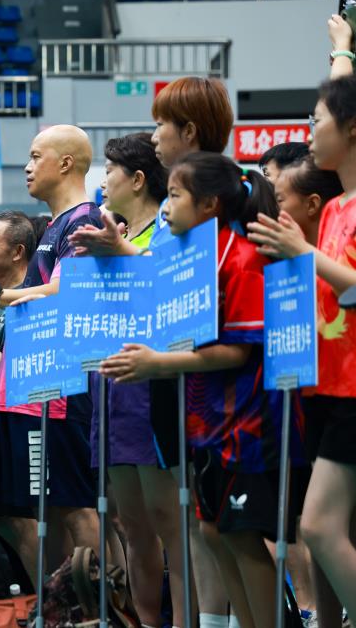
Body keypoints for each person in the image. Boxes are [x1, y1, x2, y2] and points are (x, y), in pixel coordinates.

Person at [102, 152, 302, 628]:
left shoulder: (243, 257)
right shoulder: (195, 258)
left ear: (210, 204)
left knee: (242, 538)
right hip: (206, 423)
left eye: (174, 196)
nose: (166, 207)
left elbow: (237, 352)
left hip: (246, 425)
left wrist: (157, 364)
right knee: (214, 533)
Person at [247, 75, 356, 628]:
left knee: (317, 526)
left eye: (319, 119)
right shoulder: (335, 211)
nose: (310, 131)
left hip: (354, 389)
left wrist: (301, 251)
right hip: (322, 385)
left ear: (351, 127)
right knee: (333, 531)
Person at [71, 133, 190, 626]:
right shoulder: (109, 237)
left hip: (150, 391)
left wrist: (118, 253)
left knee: (168, 521)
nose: (102, 182)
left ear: (138, 179)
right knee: (130, 524)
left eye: (109, 171)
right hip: (110, 392)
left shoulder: (166, 232)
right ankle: (143, 620)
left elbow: (171, 293)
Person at [0, 126, 102, 572]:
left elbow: (63, 291)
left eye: (36, 156)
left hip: (63, 389)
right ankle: (58, 601)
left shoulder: (84, 220)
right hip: (37, 387)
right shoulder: (55, 224)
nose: (28, 166)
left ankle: (96, 602)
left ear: (66, 163)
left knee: (75, 507)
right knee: (49, 509)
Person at [0, 212, 40, 584]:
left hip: (17, 422)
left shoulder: (30, 300)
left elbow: (18, 369)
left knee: (21, 517)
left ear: (18, 252)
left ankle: (50, 596)